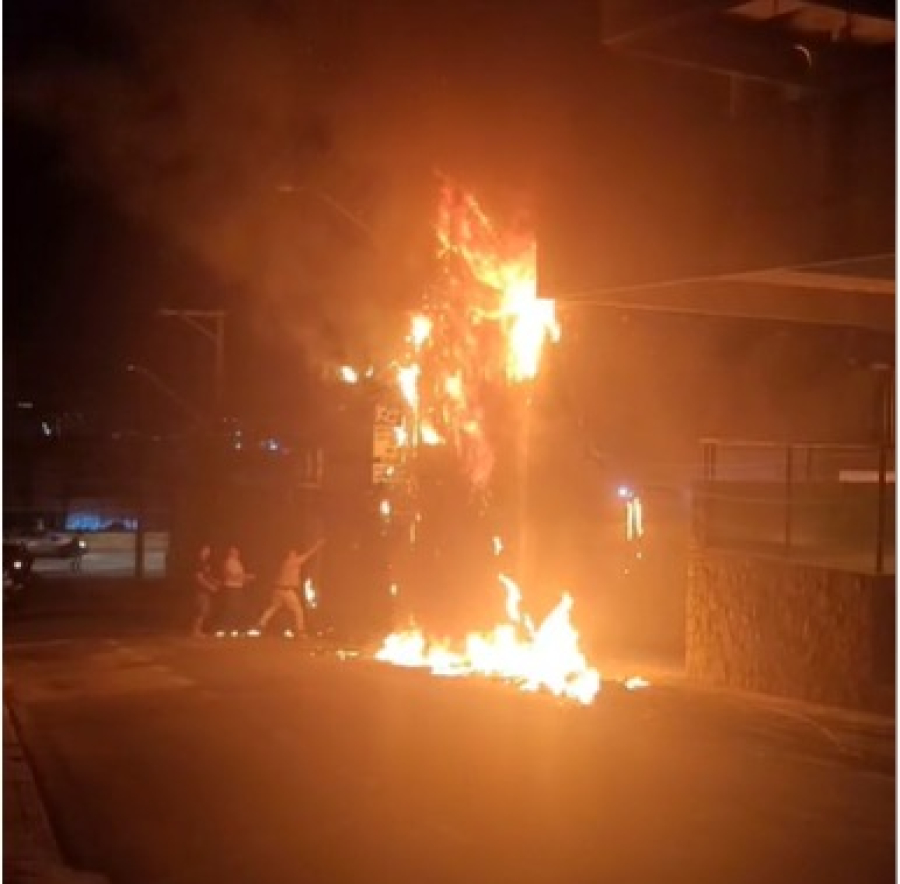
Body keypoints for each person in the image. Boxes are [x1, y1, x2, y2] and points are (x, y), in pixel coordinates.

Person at [257, 539, 325, 637]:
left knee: (273, 607)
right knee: (298, 610)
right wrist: (317, 546)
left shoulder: (285, 562)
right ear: (290, 554)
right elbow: (308, 554)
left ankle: (261, 624)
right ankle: (300, 630)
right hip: (287, 591)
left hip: (278, 590)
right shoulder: (294, 562)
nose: (295, 554)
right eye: (294, 553)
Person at [220, 546, 254, 634]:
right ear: (231, 553)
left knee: (238, 608)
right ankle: (225, 628)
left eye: (237, 551)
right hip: (231, 587)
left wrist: (246, 579)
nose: (237, 553)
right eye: (235, 552)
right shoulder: (228, 562)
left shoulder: (238, 562)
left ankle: (235, 628)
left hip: (238, 587)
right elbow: (231, 575)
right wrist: (246, 577)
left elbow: (240, 575)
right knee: (231, 608)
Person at [190, 544, 219, 637]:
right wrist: (210, 586)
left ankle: (197, 630)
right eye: (205, 550)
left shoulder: (205, 563)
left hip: (205, 591)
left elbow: (207, 576)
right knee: (201, 611)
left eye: (208, 550)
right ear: (201, 551)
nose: (207, 552)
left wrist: (215, 581)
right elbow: (199, 578)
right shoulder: (198, 563)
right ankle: (195, 631)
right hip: (200, 591)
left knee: (205, 611)